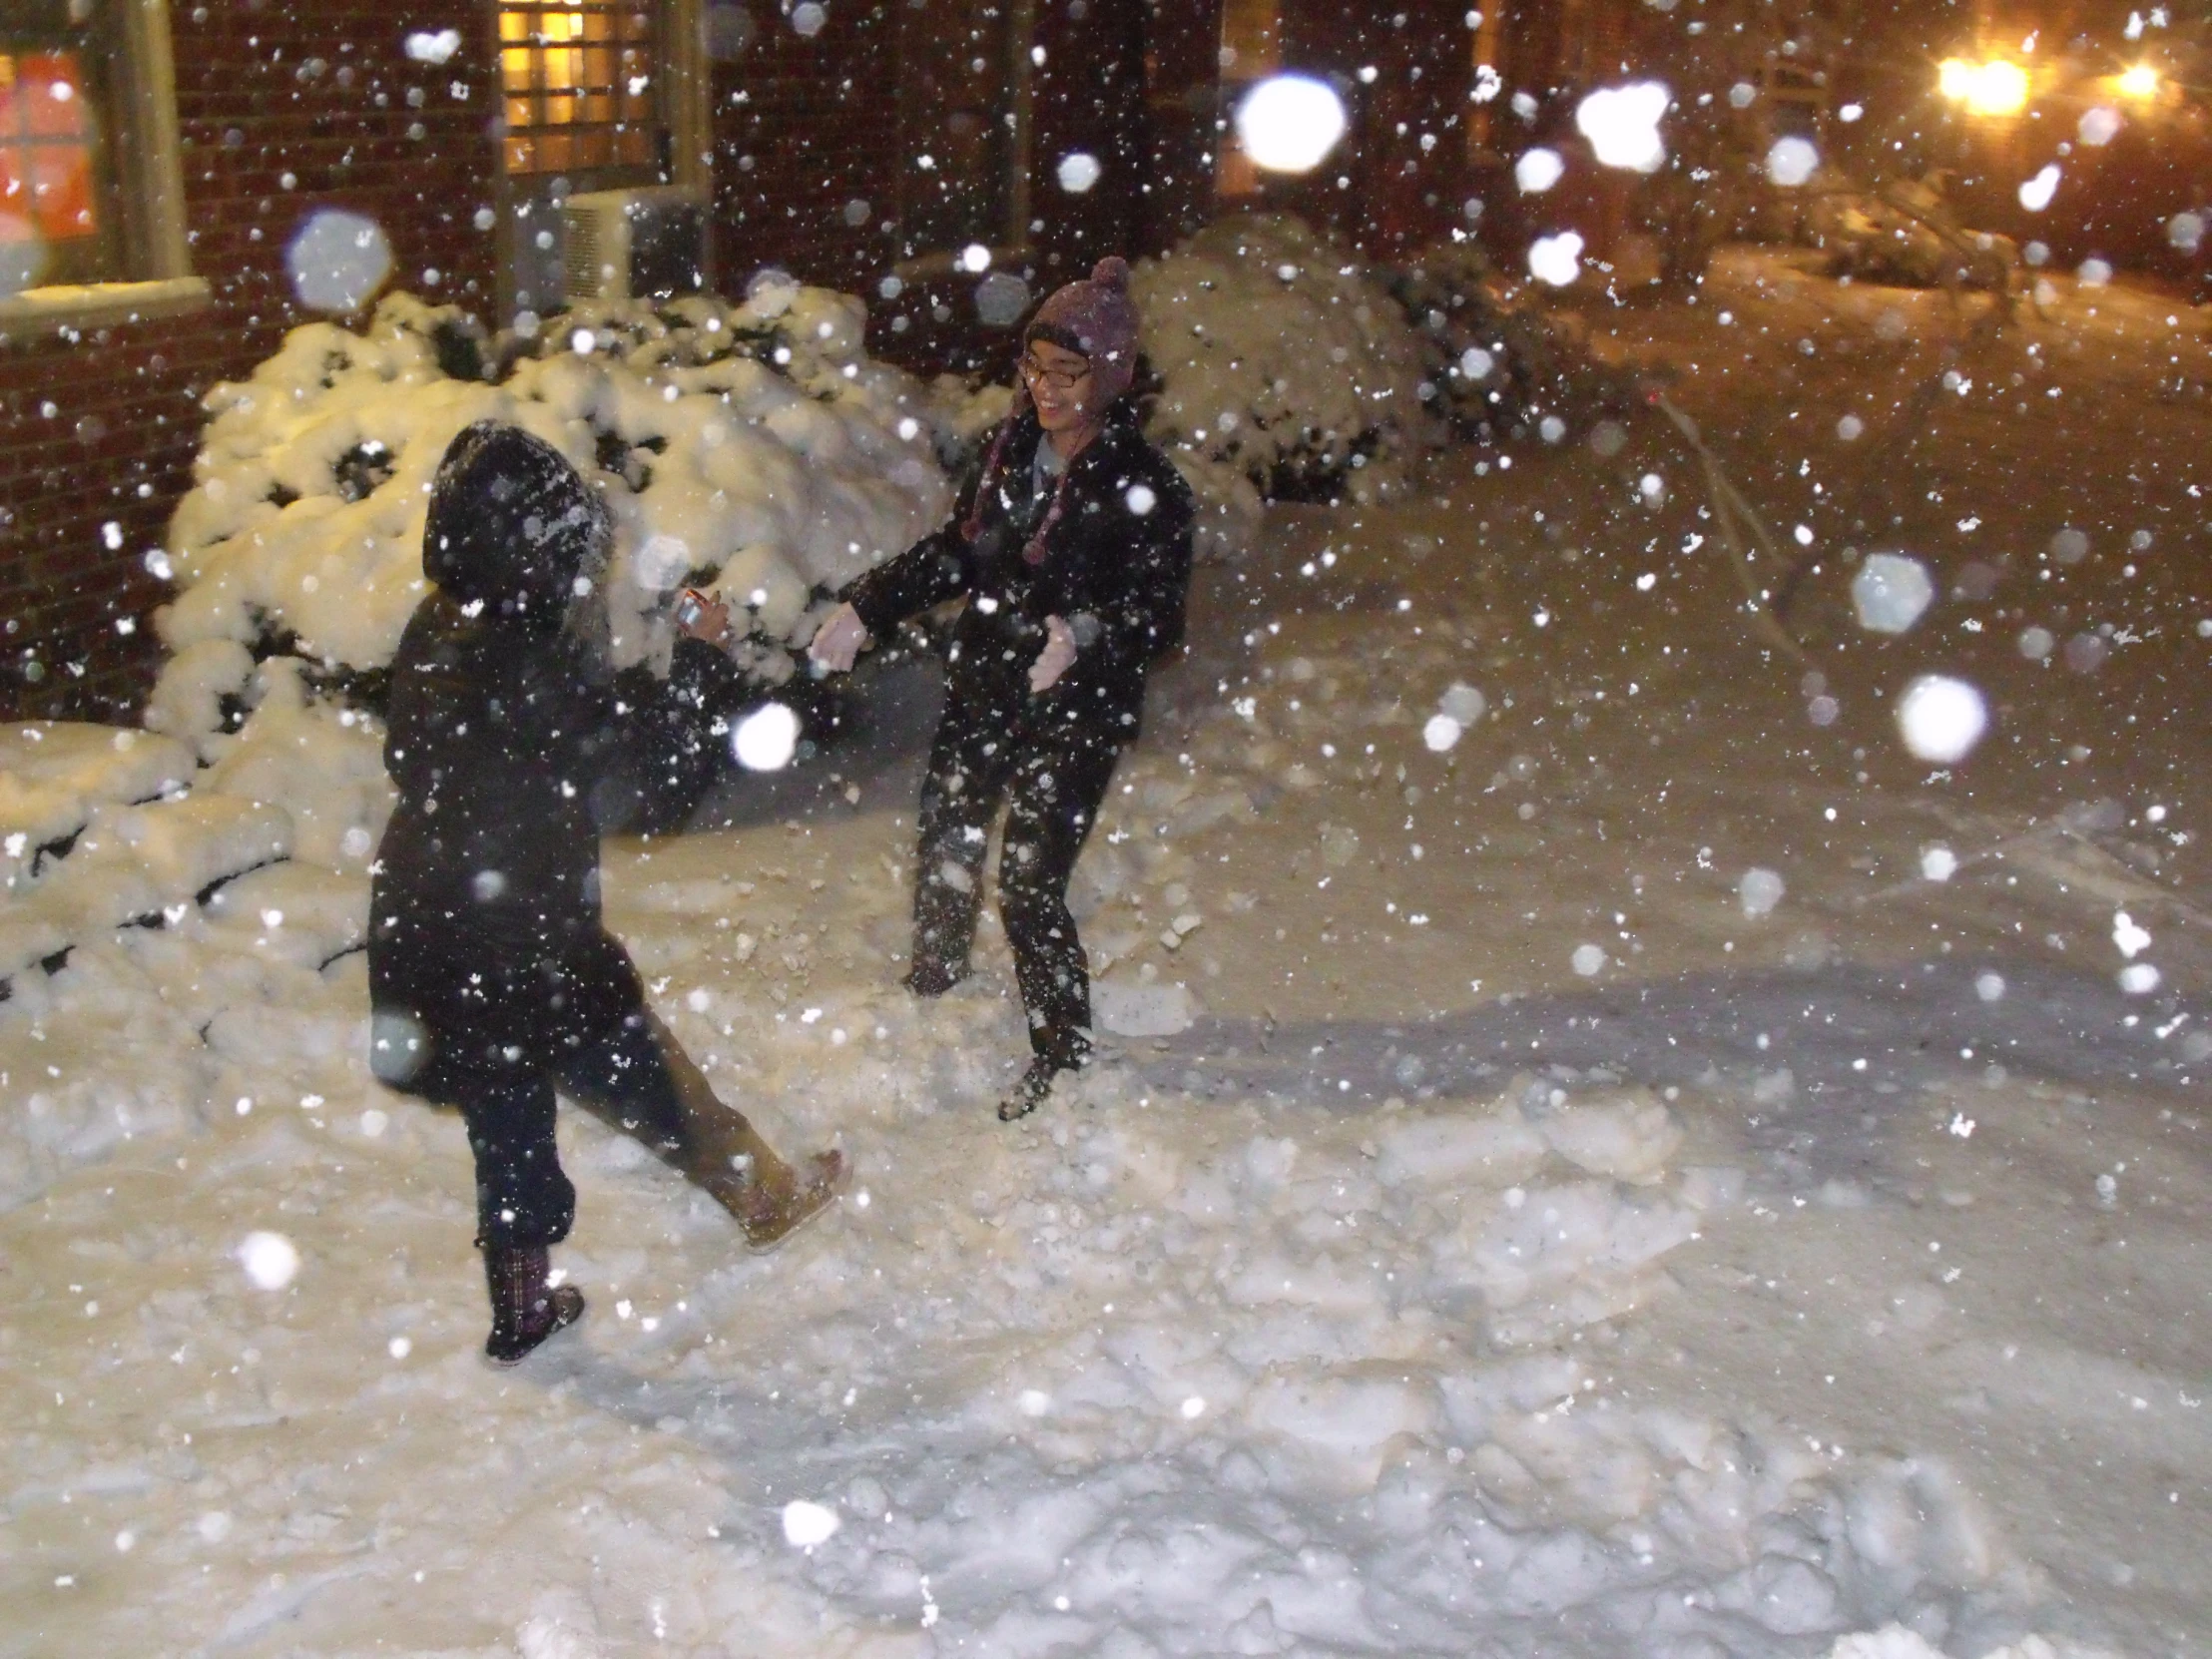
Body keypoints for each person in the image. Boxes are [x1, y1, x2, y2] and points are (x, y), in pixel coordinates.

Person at [368, 421, 844, 1366]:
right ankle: (763, 1193)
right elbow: (644, 781)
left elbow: (540, 732)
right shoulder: (523, 657)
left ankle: (521, 1306)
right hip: (523, 931)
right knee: (644, 1072)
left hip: (429, 913)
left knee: (505, 1107)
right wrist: (701, 662)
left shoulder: (444, 623)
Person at [808, 258, 1196, 1121]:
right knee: (947, 831)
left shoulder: (1148, 487)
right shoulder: (1007, 454)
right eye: (1035, 369)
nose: (1048, 390)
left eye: (1069, 373)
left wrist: (1084, 635)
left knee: (1028, 879)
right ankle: (933, 985)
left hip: (1079, 710)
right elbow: (960, 549)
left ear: (1111, 377)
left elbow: (1159, 616)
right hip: (988, 680)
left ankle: (1062, 1048)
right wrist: (867, 607)